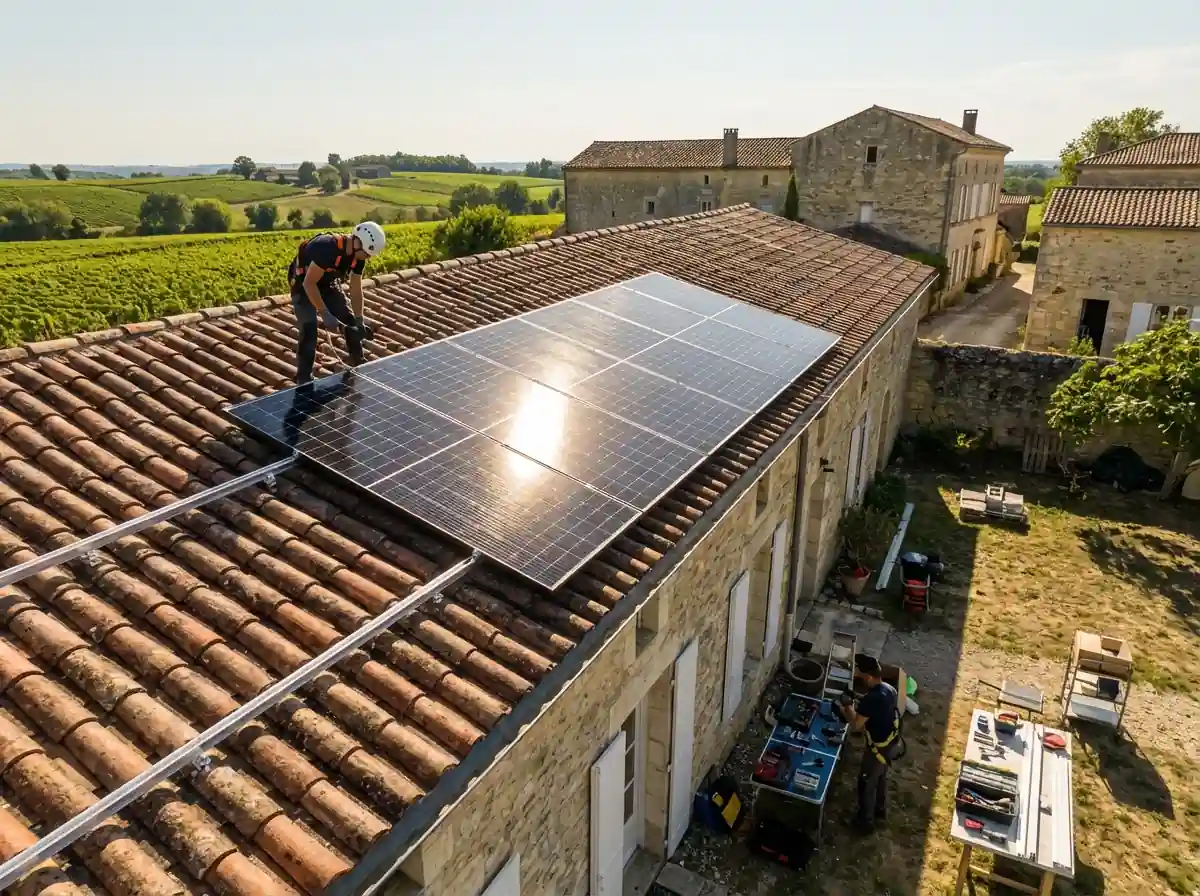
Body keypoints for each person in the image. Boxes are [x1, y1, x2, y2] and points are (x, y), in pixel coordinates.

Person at [287, 221, 385, 384]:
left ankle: (358, 359)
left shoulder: (357, 257)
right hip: (303, 284)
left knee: (348, 320)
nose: (367, 258)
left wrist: (359, 320)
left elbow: (355, 289)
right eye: (366, 254)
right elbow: (309, 284)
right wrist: (324, 312)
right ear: (357, 242)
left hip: (327, 283)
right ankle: (303, 378)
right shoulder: (326, 248)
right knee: (309, 328)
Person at [838, 655, 903, 833]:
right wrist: (858, 698)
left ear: (868, 677)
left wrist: (847, 707)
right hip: (891, 741)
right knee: (880, 777)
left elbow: (857, 725)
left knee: (866, 782)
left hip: (878, 747)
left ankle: (865, 823)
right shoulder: (889, 689)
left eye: (860, 674)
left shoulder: (872, 699)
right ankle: (879, 811)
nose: (858, 677)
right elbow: (876, 706)